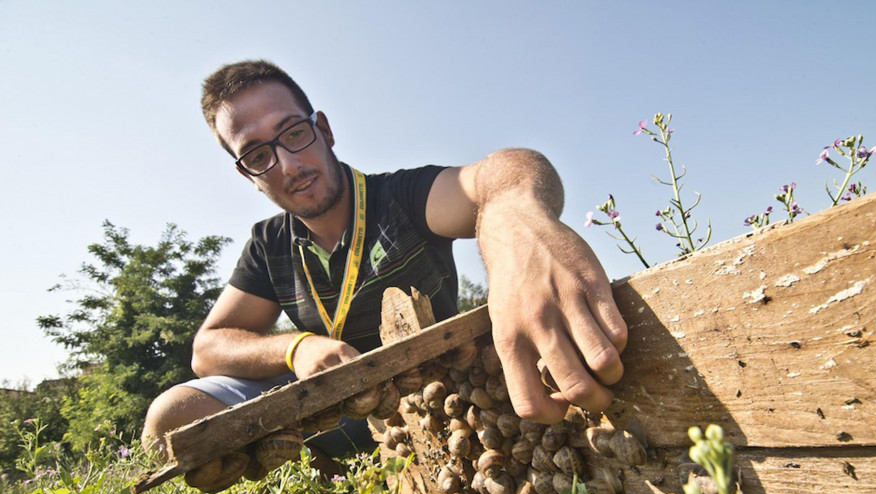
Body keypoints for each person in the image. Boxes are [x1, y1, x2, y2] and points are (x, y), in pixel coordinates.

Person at [142, 60, 627, 471]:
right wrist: (297, 349)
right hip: (334, 417)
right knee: (171, 417)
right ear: (246, 175)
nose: (288, 165)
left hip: (439, 408)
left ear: (324, 130)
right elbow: (208, 348)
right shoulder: (269, 244)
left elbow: (506, 172)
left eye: (293, 133)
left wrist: (515, 221)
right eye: (258, 155)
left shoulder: (402, 199)